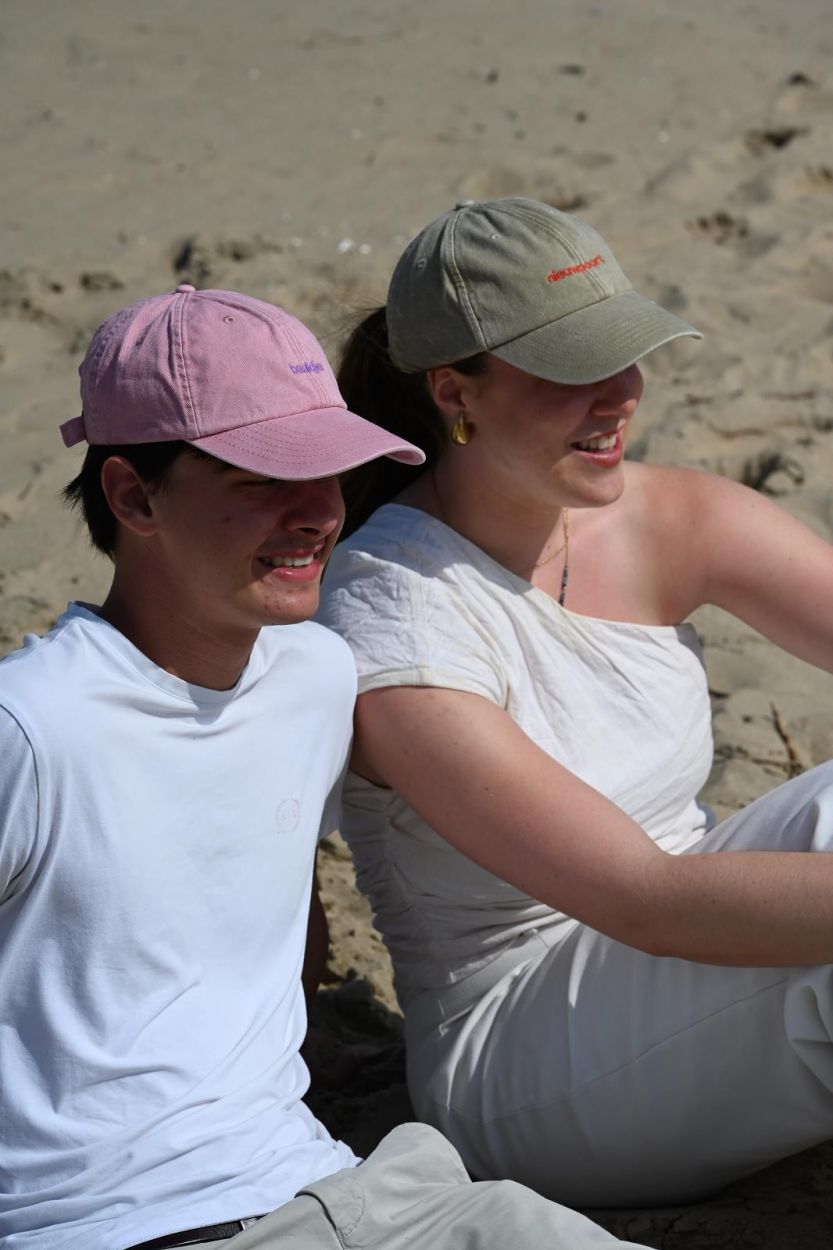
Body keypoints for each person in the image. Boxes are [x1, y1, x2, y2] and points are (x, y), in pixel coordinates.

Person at [0, 283, 655, 1250]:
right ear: (133, 495)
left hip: (354, 1188)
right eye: (264, 479)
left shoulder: (314, 673)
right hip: (120, 1225)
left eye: (332, 472)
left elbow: (266, 896)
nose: (318, 514)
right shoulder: (32, 727)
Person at [317, 197, 833, 1209]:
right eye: (571, 370)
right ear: (454, 392)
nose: (619, 394)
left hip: (694, 936)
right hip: (524, 1052)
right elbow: (642, 901)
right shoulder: (397, 614)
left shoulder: (659, 516)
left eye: (626, 354)